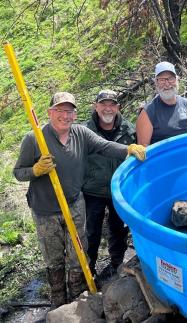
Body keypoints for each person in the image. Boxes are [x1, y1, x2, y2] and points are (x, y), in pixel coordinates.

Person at [13, 92, 145, 309]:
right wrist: (35, 170)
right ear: (50, 112)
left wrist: (128, 150)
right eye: (60, 111)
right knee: (54, 260)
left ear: (75, 114)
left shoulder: (81, 133)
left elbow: (105, 146)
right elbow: (18, 172)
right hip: (45, 209)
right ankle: (58, 301)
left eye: (70, 111)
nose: (65, 116)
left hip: (75, 204)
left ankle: (78, 298)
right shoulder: (34, 138)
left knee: (78, 254)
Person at [83, 89, 135, 278]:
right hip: (92, 190)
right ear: (96, 107)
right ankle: (88, 269)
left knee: (118, 230)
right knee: (91, 232)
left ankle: (117, 265)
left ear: (118, 107)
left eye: (112, 104)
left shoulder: (129, 129)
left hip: (119, 191)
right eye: (103, 104)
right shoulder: (84, 131)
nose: (107, 108)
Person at [136, 61, 187, 146]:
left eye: (171, 78)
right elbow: (143, 150)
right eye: (162, 80)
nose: (167, 84)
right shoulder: (147, 112)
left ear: (177, 80)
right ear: (156, 82)